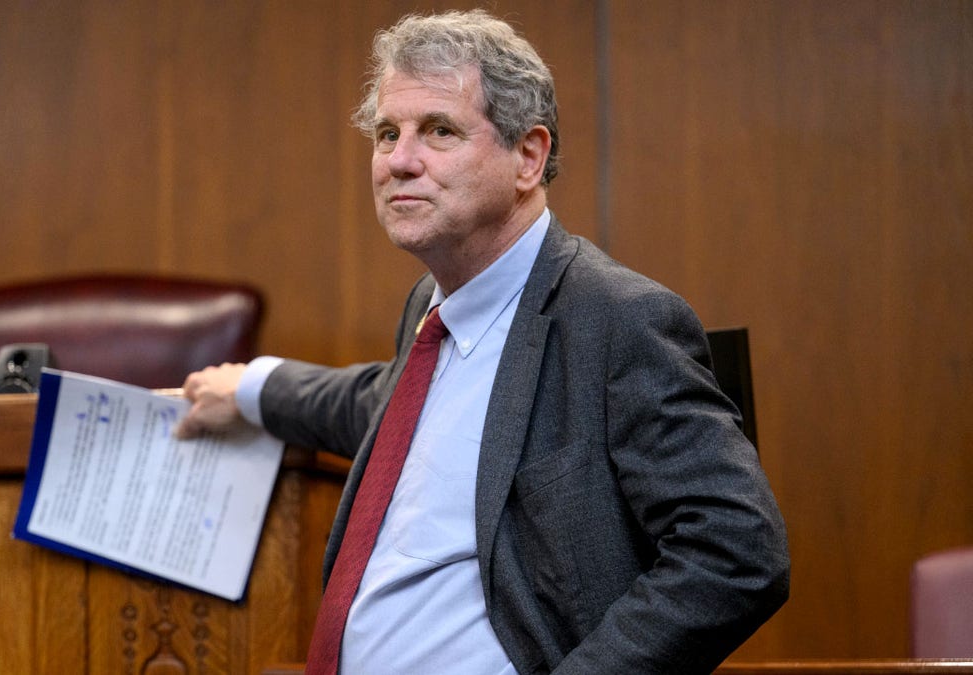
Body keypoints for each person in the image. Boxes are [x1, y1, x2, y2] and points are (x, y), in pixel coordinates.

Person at [179, 9, 789, 674]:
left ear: (527, 156)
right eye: (387, 133)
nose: (399, 161)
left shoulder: (618, 320)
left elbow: (737, 549)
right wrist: (250, 389)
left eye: (439, 130)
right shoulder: (433, 306)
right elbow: (385, 408)